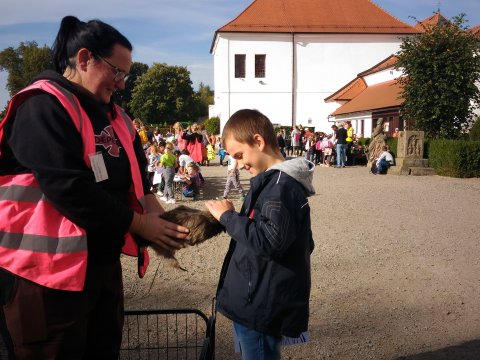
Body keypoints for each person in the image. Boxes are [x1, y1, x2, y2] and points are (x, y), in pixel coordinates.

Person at [0, 16, 190, 359]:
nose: (121, 84)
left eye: (125, 75)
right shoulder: (42, 106)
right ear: (85, 58)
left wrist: (153, 209)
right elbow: (69, 188)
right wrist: (140, 224)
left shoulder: (118, 117)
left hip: (98, 271)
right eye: (117, 72)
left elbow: (138, 178)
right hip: (43, 279)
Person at [205, 109, 315, 360]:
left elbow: (271, 240)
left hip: (260, 304)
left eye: (240, 155)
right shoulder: (271, 183)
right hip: (256, 296)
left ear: (259, 141)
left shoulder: (280, 187)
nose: (240, 164)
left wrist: (228, 218)